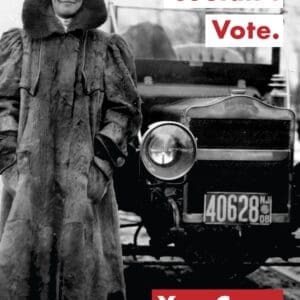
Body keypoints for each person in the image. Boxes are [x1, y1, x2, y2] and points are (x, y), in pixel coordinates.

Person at [0, 0, 142, 299]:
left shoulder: (107, 48)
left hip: (85, 197)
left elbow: (123, 112)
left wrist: (96, 169)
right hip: (27, 197)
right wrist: (13, 165)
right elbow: (3, 106)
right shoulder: (19, 45)